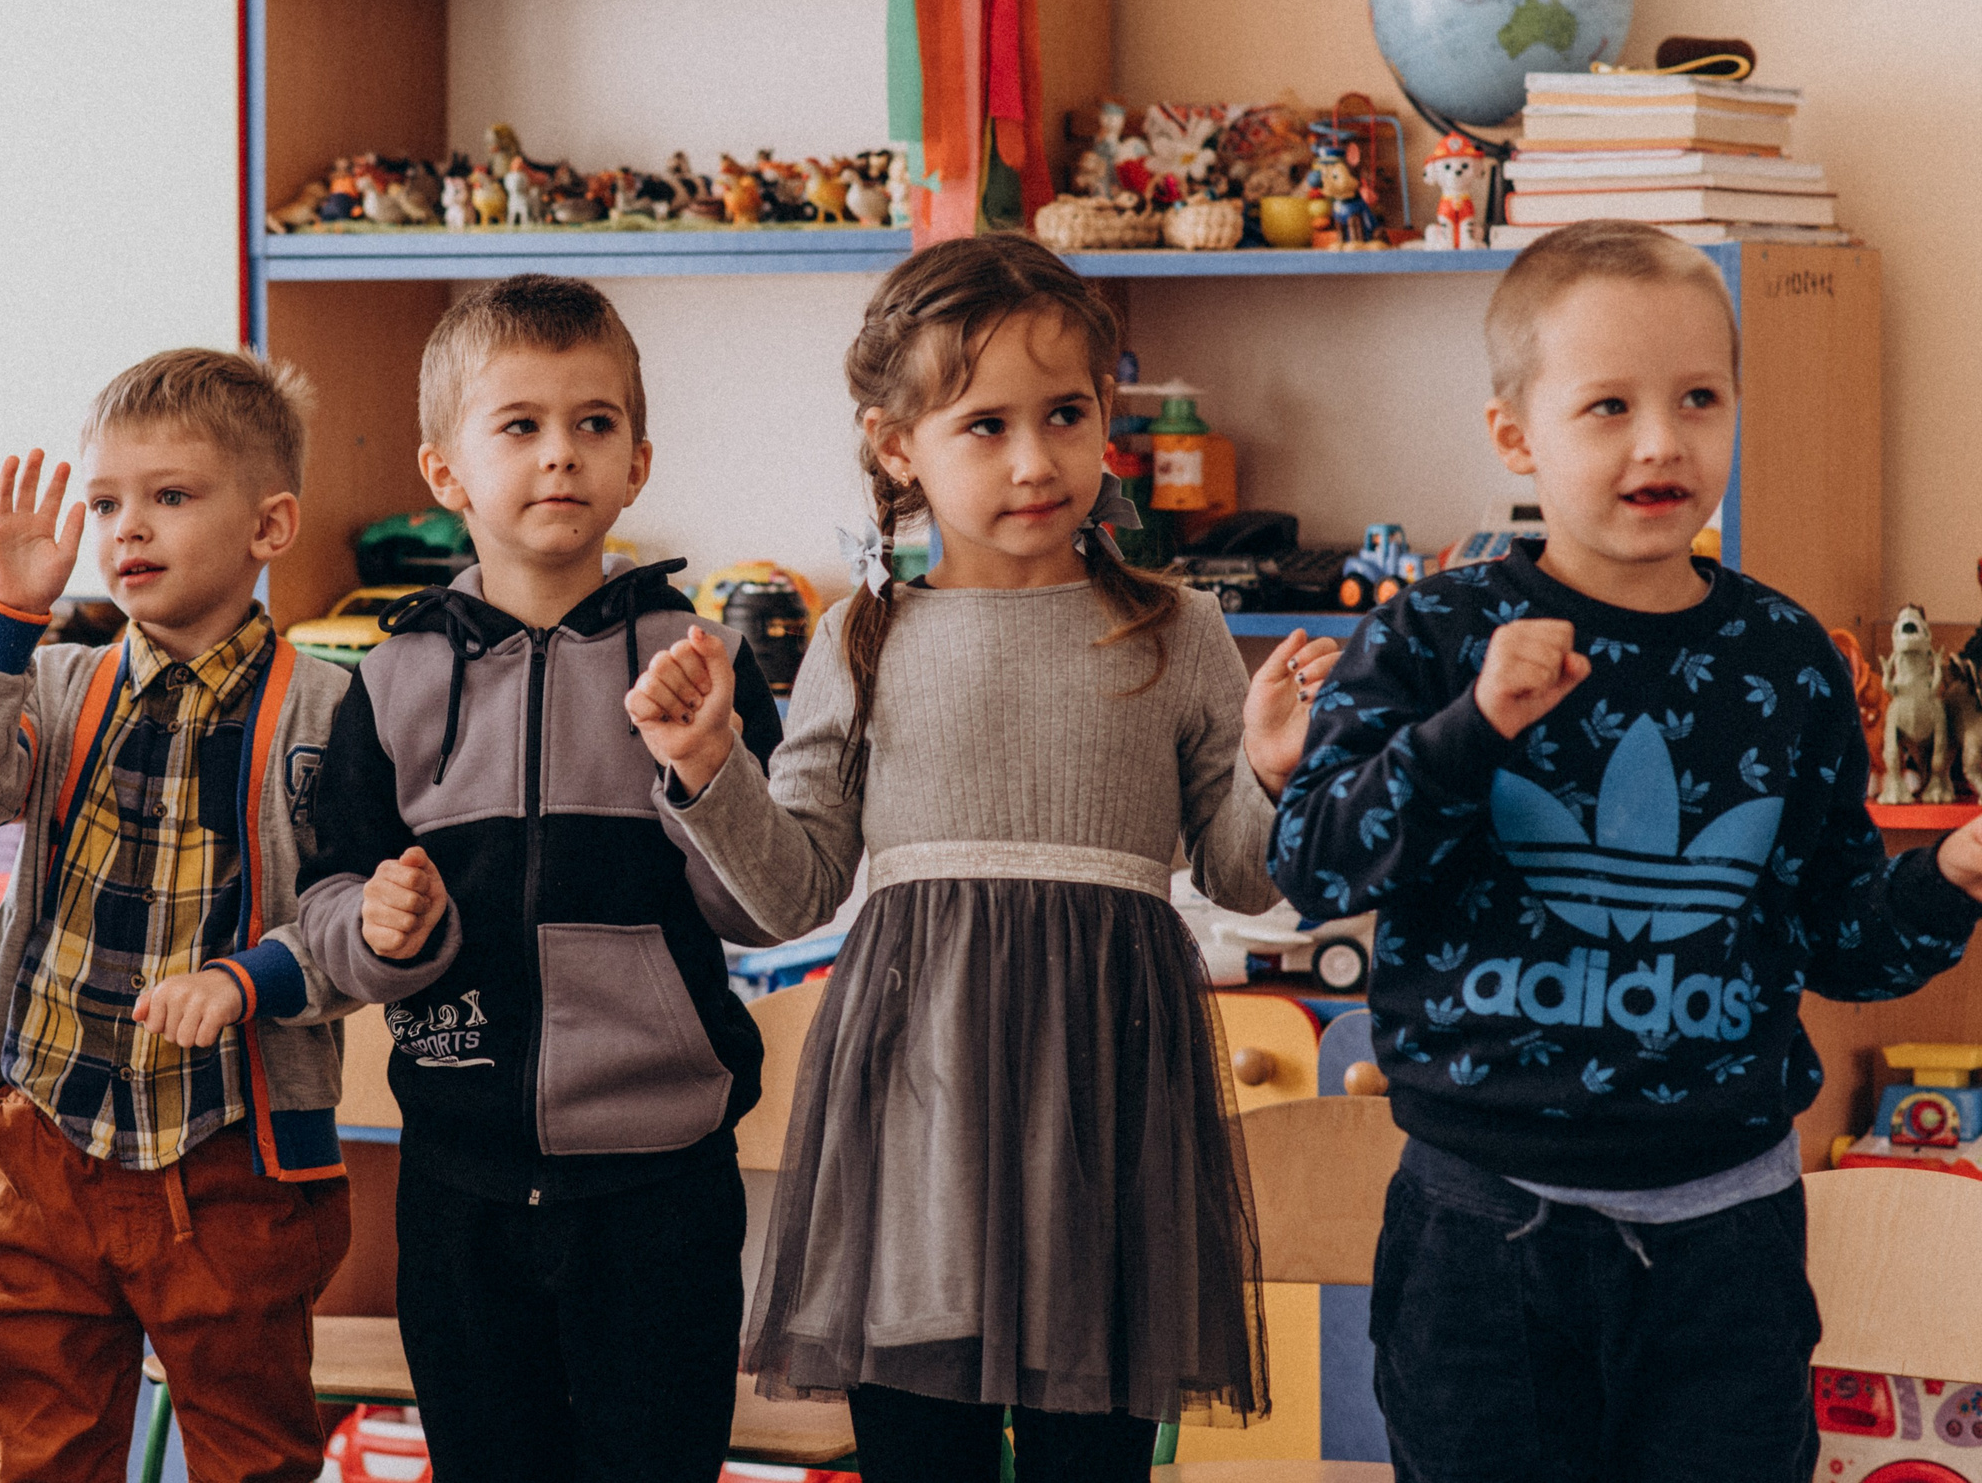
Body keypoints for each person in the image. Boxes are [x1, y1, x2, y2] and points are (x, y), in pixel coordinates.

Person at [1270, 220, 1982, 1482]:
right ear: (1514, 436)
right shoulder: (1438, 632)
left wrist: (1950, 877)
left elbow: (1840, 943)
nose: (1661, 439)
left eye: (1698, 397)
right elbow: (1317, 865)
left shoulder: (1785, 658)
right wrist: (1468, 729)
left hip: (1727, 1243)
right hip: (1480, 1233)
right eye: (1607, 404)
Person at [623, 234, 1338, 1482]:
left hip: (1110, 1088)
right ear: (897, 445)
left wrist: (1276, 766)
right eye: (984, 425)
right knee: (920, 1439)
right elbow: (790, 889)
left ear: (1105, 415)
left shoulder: (1179, 629)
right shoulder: (861, 635)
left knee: (1089, 1453)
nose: (1033, 459)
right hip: (920, 1101)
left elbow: (1241, 878)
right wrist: (706, 764)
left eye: (1065, 413)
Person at [296, 274, 786, 1483]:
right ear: (445, 470)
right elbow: (320, 908)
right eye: (518, 424)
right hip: (456, 1184)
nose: (560, 454)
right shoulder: (392, 676)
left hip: (661, 1187)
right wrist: (374, 924)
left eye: (593, 423)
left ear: (639, 461)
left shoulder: (699, 659)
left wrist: (705, 768)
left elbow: (763, 903)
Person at [0, 348, 358, 1483]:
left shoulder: (330, 708)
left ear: (270, 525)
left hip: (231, 1164)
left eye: (170, 496)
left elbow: (360, 921)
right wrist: (4, 615)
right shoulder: (57, 682)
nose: (128, 528)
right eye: (106, 500)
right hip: (47, 1144)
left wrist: (251, 975)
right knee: (45, 1449)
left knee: (250, 1454)